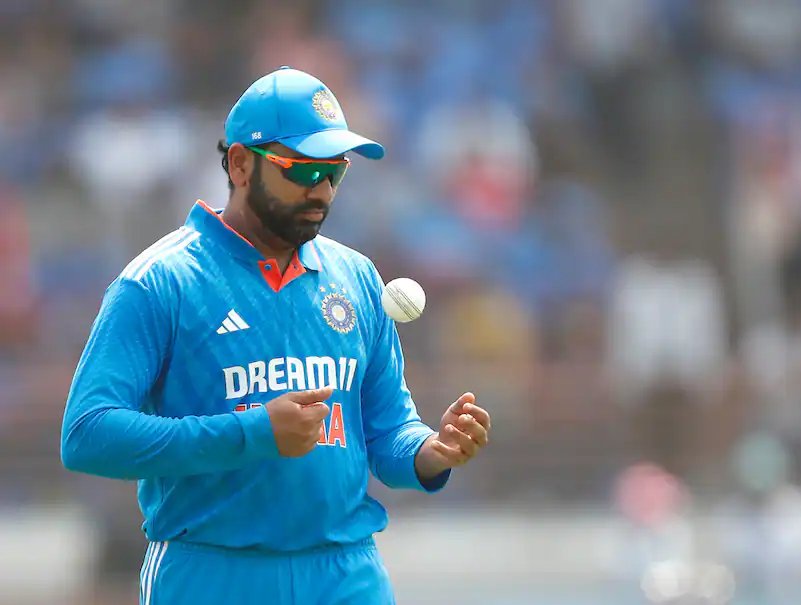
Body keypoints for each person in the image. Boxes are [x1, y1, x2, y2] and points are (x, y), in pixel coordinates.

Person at [60, 66, 491, 605]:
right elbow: (87, 435)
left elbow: (386, 431)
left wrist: (431, 451)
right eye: (303, 170)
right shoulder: (160, 282)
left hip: (345, 573)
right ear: (241, 164)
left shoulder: (357, 278)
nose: (323, 190)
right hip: (212, 574)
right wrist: (252, 433)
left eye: (335, 172)